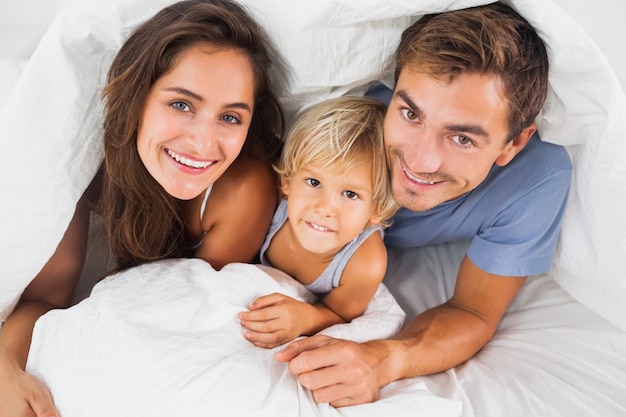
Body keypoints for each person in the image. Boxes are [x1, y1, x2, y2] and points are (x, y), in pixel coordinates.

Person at [274, 2, 573, 407]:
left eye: (462, 138)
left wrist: (384, 360)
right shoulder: (360, 108)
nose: (419, 161)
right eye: (411, 113)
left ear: (512, 144)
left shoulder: (536, 179)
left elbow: (473, 311)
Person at [0, 1, 287, 416]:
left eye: (229, 117)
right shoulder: (79, 169)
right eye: (181, 104)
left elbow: (189, 309)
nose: (204, 144)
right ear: (139, 97)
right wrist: (7, 368)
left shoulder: (241, 189)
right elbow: (43, 299)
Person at [238, 97, 398, 349]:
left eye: (350, 194)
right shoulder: (270, 204)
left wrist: (306, 318)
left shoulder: (365, 264)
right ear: (287, 181)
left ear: (375, 210)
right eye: (314, 182)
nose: (324, 208)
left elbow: (340, 313)